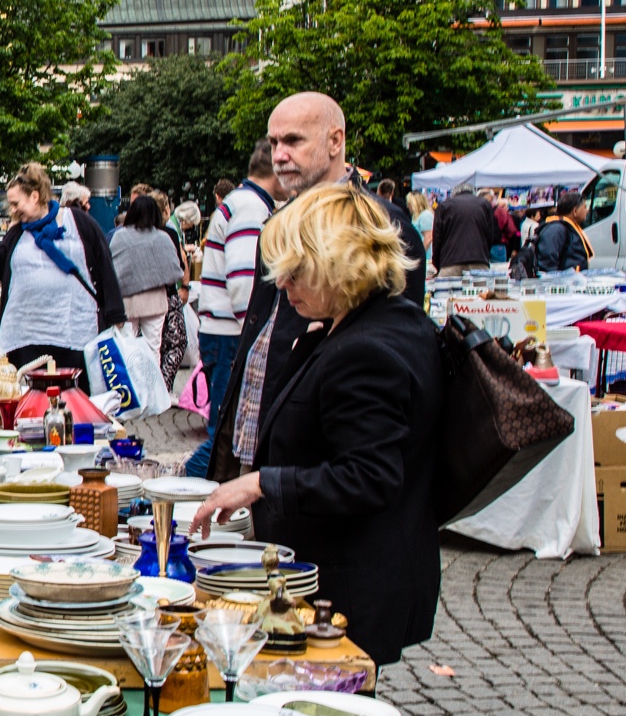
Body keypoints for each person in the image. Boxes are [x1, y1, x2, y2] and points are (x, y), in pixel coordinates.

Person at [191, 184, 440, 666]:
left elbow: (369, 477)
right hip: (358, 574)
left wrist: (263, 483)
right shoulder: (379, 323)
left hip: (346, 586)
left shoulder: (365, 348)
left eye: (295, 272)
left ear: (337, 263)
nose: (282, 286)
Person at [206, 91, 426, 482]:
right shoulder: (282, 218)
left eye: (293, 141)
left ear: (335, 141)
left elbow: (396, 348)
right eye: (274, 143)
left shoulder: (378, 224)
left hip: (324, 452)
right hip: (260, 428)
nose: (279, 155)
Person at [0, 162, 125, 375]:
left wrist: (115, 316)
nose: (13, 210)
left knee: (73, 396)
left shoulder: (78, 222)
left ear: (34, 197)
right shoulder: (18, 232)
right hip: (27, 335)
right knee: (32, 398)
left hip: (72, 331)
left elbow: (104, 266)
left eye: (16, 204)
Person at [186, 140, 279, 478]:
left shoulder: (242, 202)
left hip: (222, 333)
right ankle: (180, 488)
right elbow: (244, 281)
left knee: (225, 430)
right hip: (231, 335)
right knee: (226, 434)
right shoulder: (252, 207)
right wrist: (257, 335)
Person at [107, 194, 187, 360]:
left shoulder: (120, 237)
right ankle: (151, 385)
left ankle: (129, 385)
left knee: (127, 348)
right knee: (153, 349)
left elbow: (113, 270)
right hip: (156, 301)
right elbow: (175, 271)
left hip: (128, 301)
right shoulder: (163, 238)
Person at [431, 185, 497, 275]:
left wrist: (438, 264)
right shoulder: (484, 204)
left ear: (454, 193)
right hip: (478, 260)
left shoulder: (444, 206)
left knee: (446, 288)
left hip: (450, 261)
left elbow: (437, 238)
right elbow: (490, 235)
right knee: (481, 289)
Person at [535, 192, 594, 272]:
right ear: (575, 211)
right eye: (585, 207)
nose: (587, 211)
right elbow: (547, 264)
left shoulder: (565, 228)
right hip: (564, 282)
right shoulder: (556, 229)